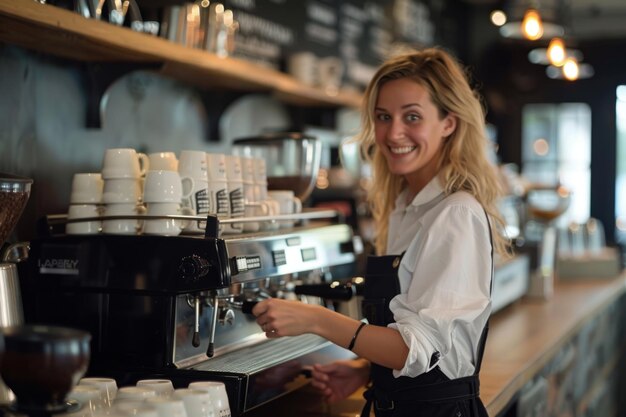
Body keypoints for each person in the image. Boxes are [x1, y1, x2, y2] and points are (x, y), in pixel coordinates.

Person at [252, 46, 511, 417]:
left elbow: (415, 348)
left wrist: (315, 319)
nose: (393, 133)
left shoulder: (454, 213)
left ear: (449, 123)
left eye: (412, 117)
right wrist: (365, 374)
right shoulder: (406, 205)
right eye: (384, 117)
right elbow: (418, 344)